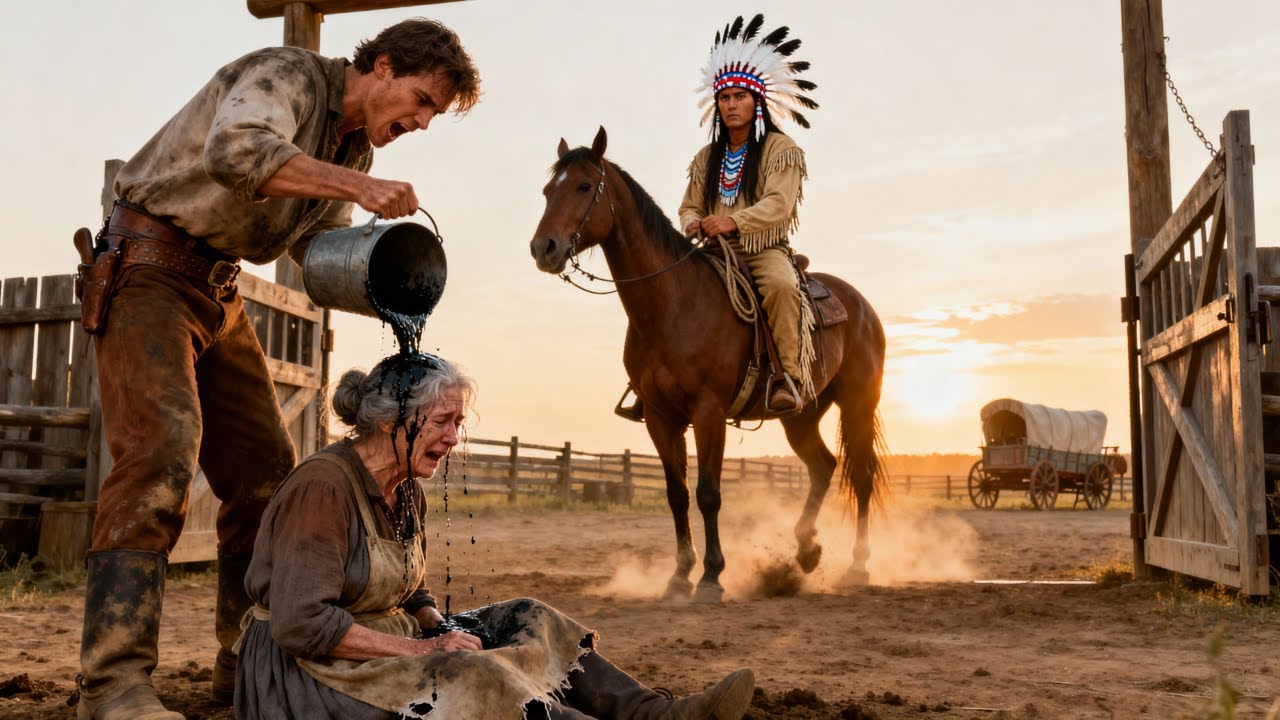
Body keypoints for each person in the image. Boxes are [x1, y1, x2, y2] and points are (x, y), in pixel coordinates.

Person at [75, 19, 481, 720]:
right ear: (381, 67)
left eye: (431, 116)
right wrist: (360, 186)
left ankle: (244, 675)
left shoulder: (347, 147)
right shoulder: (288, 76)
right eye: (419, 101)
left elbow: (317, 249)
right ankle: (112, 685)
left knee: (269, 475)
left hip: (217, 289)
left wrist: (386, 274)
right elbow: (237, 151)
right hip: (146, 271)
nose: (419, 122)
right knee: (160, 460)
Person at [235, 352, 756, 720]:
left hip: (383, 644)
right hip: (306, 680)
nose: (453, 437)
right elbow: (301, 625)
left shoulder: (405, 486)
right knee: (475, 676)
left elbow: (408, 589)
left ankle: (653, 714)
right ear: (392, 419)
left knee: (532, 619)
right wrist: (428, 651)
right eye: (442, 421)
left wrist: (438, 623)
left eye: (458, 422)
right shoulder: (323, 488)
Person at [679, 14, 820, 414]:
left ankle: (787, 377)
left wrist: (733, 220)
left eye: (739, 96)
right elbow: (689, 202)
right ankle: (654, 378)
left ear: (756, 101)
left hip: (760, 248)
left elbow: (778, 204)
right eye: (724, 98)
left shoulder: (781, 149)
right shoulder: (706, 158)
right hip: (710, 249)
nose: (730, 105)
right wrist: (692, 221)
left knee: (781, 286)